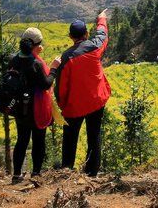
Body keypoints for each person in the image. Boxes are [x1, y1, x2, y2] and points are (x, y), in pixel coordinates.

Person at [53, 9, 112, 176]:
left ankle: (67, 171)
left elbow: (61, 87)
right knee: (94, 137)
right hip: (96, 102)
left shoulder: (66, 57)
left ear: (70, 36)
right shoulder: (95, 47)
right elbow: (102, 34)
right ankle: (92, 172)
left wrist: (62, 105)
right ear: (86, 33)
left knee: (70, 139)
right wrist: (101, 18)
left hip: (74, 106)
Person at [10, 27, 59, 183]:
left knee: (21, 140)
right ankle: (36, 173)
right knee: (38, 140)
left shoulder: (14, 60)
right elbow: (46, 84)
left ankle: (17, 174)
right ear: (37, 45)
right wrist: (53, 69)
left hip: (19, 107)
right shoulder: (36, 63)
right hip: (36, 107)